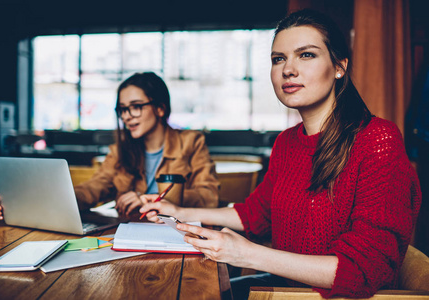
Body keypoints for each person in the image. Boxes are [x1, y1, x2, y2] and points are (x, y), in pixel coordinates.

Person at [138, 9, 422, 299]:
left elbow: (365, 269)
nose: (288, 69)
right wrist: (179, 212)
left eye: (306, 55)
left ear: (339, 67)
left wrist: (248, 255)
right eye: (278, 59)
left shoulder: (377, 139)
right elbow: (255, 214)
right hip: (284, 287)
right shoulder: (287, 142)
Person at [0, 72, 219, 219]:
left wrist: (150, 199)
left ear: (160, 108)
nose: (127, 116)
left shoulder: (191, 141)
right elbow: (92, 189)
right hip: (132, 235)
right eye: (122, 109)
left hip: (178, 236)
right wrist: (30, 201)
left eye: (136, 106)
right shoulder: (121, 151)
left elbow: (209, 196)